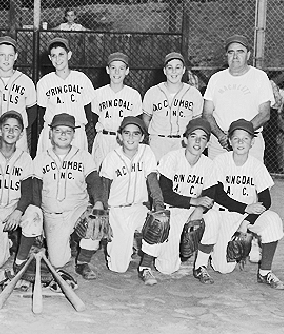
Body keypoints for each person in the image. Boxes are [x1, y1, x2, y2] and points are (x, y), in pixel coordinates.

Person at [140, 117, 220, 285]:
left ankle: (200, 266)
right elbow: (166, 194)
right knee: (166, 268)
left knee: (213, 218)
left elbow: (210, 196)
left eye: (203, 138)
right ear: (185, 139)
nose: (198, 141)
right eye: (193, 136)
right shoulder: (172, 158)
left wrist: (198, 211)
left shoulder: (209, 164)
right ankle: (147, 264)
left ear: (206, 144)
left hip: (193, 210)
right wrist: (195, 201)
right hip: (173, 210)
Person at [211, 119, 284, 290]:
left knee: (273, 221)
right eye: (236, 138)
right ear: (229, 141)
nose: (240, 142)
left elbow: (266, 201)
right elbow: (218, 194)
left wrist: (247, 221)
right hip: (225, 214)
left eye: (245, 139)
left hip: (248, 216)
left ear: (252, 142)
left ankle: (265, 271)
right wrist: (244, 208)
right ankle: (222, 245)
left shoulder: (257, 166)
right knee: (223, 268)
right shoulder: (220, 161)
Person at [32, 113, 105, 279]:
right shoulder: (41, 158)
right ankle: (66, 241)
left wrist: (99, 202)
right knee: (57, 263)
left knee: (94, 223)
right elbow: (35, 189)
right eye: (58, 130)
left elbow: (94, 181)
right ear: (50, 133)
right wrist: (37, 216)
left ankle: (82, 263)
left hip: (77, 209)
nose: (63, 135)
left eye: (68, 131)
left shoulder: (83, 156)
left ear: (73, 134)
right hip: (53, 215)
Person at [0, 111, 42, 270]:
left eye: (16, 129)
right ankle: (9, 242)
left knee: (34, 214)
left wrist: (18, 211)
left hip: (14, 207)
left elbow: (28, 192)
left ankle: (20, 260)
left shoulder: (24, 158)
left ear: (20, 134)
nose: (11, 132)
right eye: (7, 127)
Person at [99, 117, 165, 281]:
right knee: (118, 268)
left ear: (142, 137)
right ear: (120, 136)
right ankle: (123, 247)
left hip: (138, 208)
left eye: (136, 134)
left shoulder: (146, 152)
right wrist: (105, 215)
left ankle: (145, 266)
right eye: (126, 133)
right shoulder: (111, 157)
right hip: (117, 211)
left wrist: (159, 206)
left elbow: (152, 182)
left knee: (159, 225)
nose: (130, 138)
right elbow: (104, 188)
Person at [203, 34, 274, 161]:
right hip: (219, 143)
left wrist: (239, 135)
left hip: (250, 142)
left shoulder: (259, 77)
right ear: (227, 56)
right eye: (231, 52)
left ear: (248, 55)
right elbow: (207, 113)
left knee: (248, 179)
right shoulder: (216, 78)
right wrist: (221, 136)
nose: (235, 56)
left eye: (240, 52)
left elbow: (264, 114)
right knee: (217, 180)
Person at [0, 36, 37, 152]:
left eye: (10, 55)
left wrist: (20, 127)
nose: (6, 59)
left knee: (19, 168)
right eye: (2, 55)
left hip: (17, 135)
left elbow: (32, 110)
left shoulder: (26, 81)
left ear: (16, 56)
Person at [36, 37, 95, 153]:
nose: (57, 59)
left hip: (76, 132)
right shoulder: (44, 82)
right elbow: (41, 112)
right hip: (53, 133)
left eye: (61, 54)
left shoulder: (82, 79)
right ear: (50, 58)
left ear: (69, 55)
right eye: (53, 55)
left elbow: (88, 111)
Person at [142, 52, 204, 161]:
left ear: (184, 70)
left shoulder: (194, 94)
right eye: (170, 68)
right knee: (158, 175)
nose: (174, 72)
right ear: (165, 71)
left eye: (178, 67)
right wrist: (155, 135)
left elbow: (196, 123)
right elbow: (146, 119)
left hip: (182, 142)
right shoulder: (153, 92)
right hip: (159, 142)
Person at [91, 52, 143, 166]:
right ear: (107, 70)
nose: (117, 72)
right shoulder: (98, 94)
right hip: (103, 139)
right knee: (100, 174)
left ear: (127, 71)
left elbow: (136, 122)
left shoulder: (134, 95)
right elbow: (94, 119)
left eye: (121, 68)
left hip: (122, 141)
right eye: (113, 68)